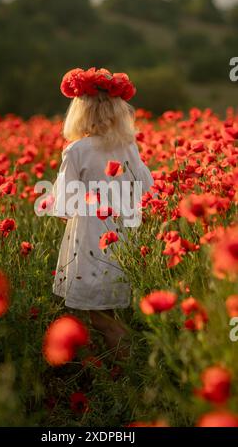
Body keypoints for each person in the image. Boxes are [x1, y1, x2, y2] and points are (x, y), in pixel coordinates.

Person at [51, 68, 154, 358]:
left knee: (99, 315)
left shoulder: (77, 151)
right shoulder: (128, 147)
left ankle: (128, 372)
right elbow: (146, 187)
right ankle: (119, 371)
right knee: (110, 310)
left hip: (91, 239)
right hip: (124, 233)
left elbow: (64, 205)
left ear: (79, 113)